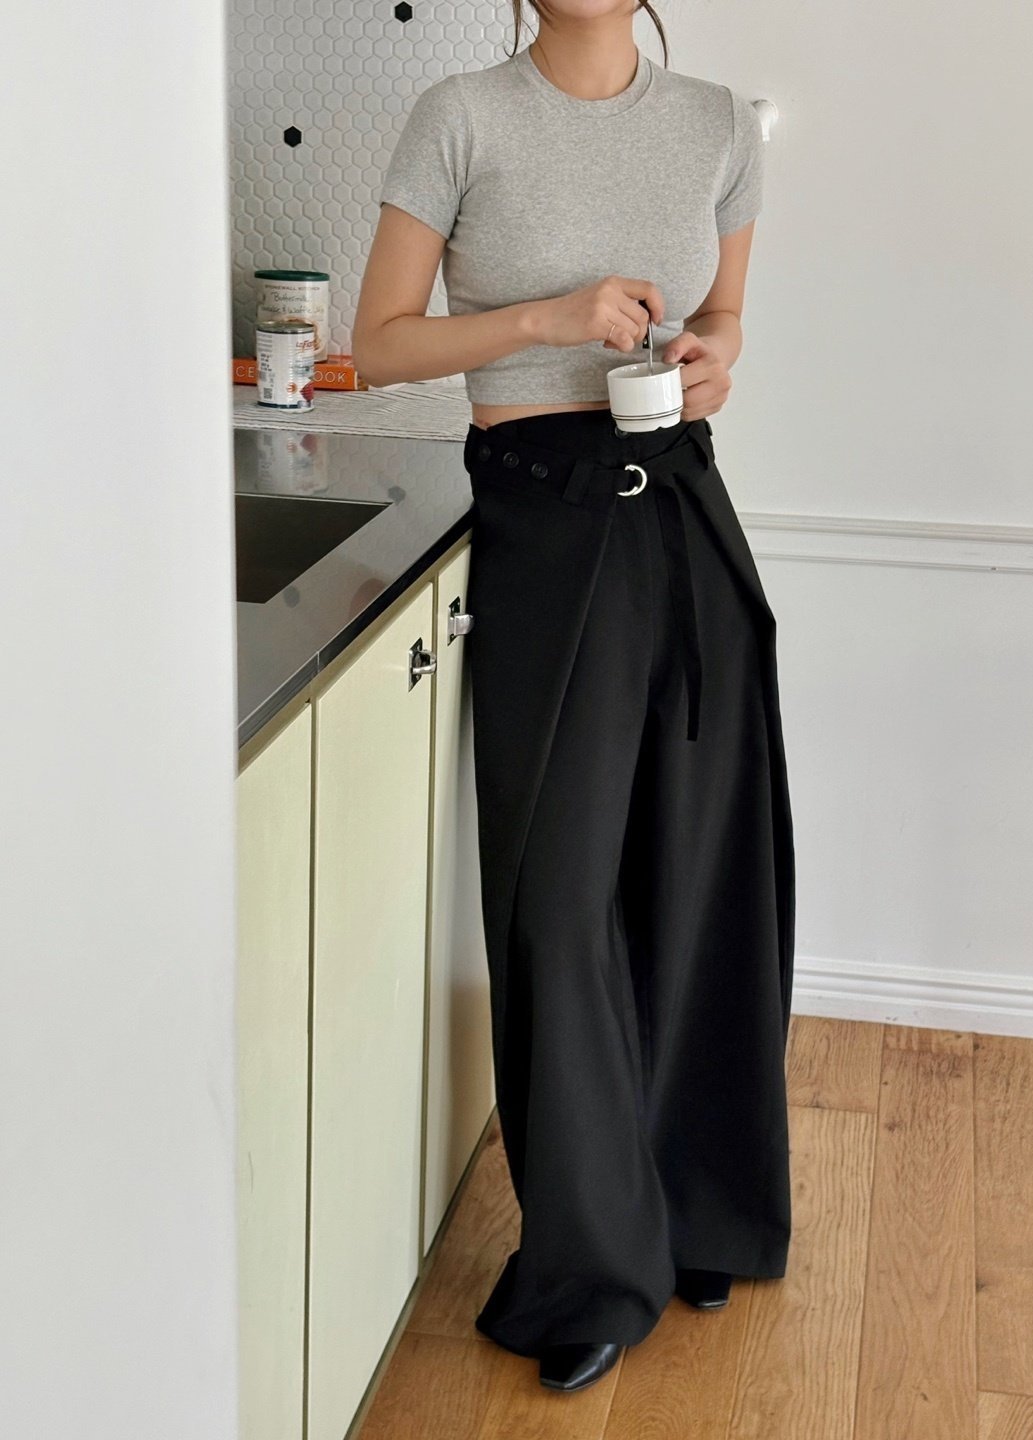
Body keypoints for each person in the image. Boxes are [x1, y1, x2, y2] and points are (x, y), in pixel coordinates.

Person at [353, 0, 795, 1397]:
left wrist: (718, 357)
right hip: (543, 519)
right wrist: (546, 319)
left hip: (686, 510)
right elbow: (379, 344)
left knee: (703, 865)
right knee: (557, 898)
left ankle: (698, 1211)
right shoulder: (461, 117)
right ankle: (593, 1263)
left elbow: (725, 314)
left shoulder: (717, 123)